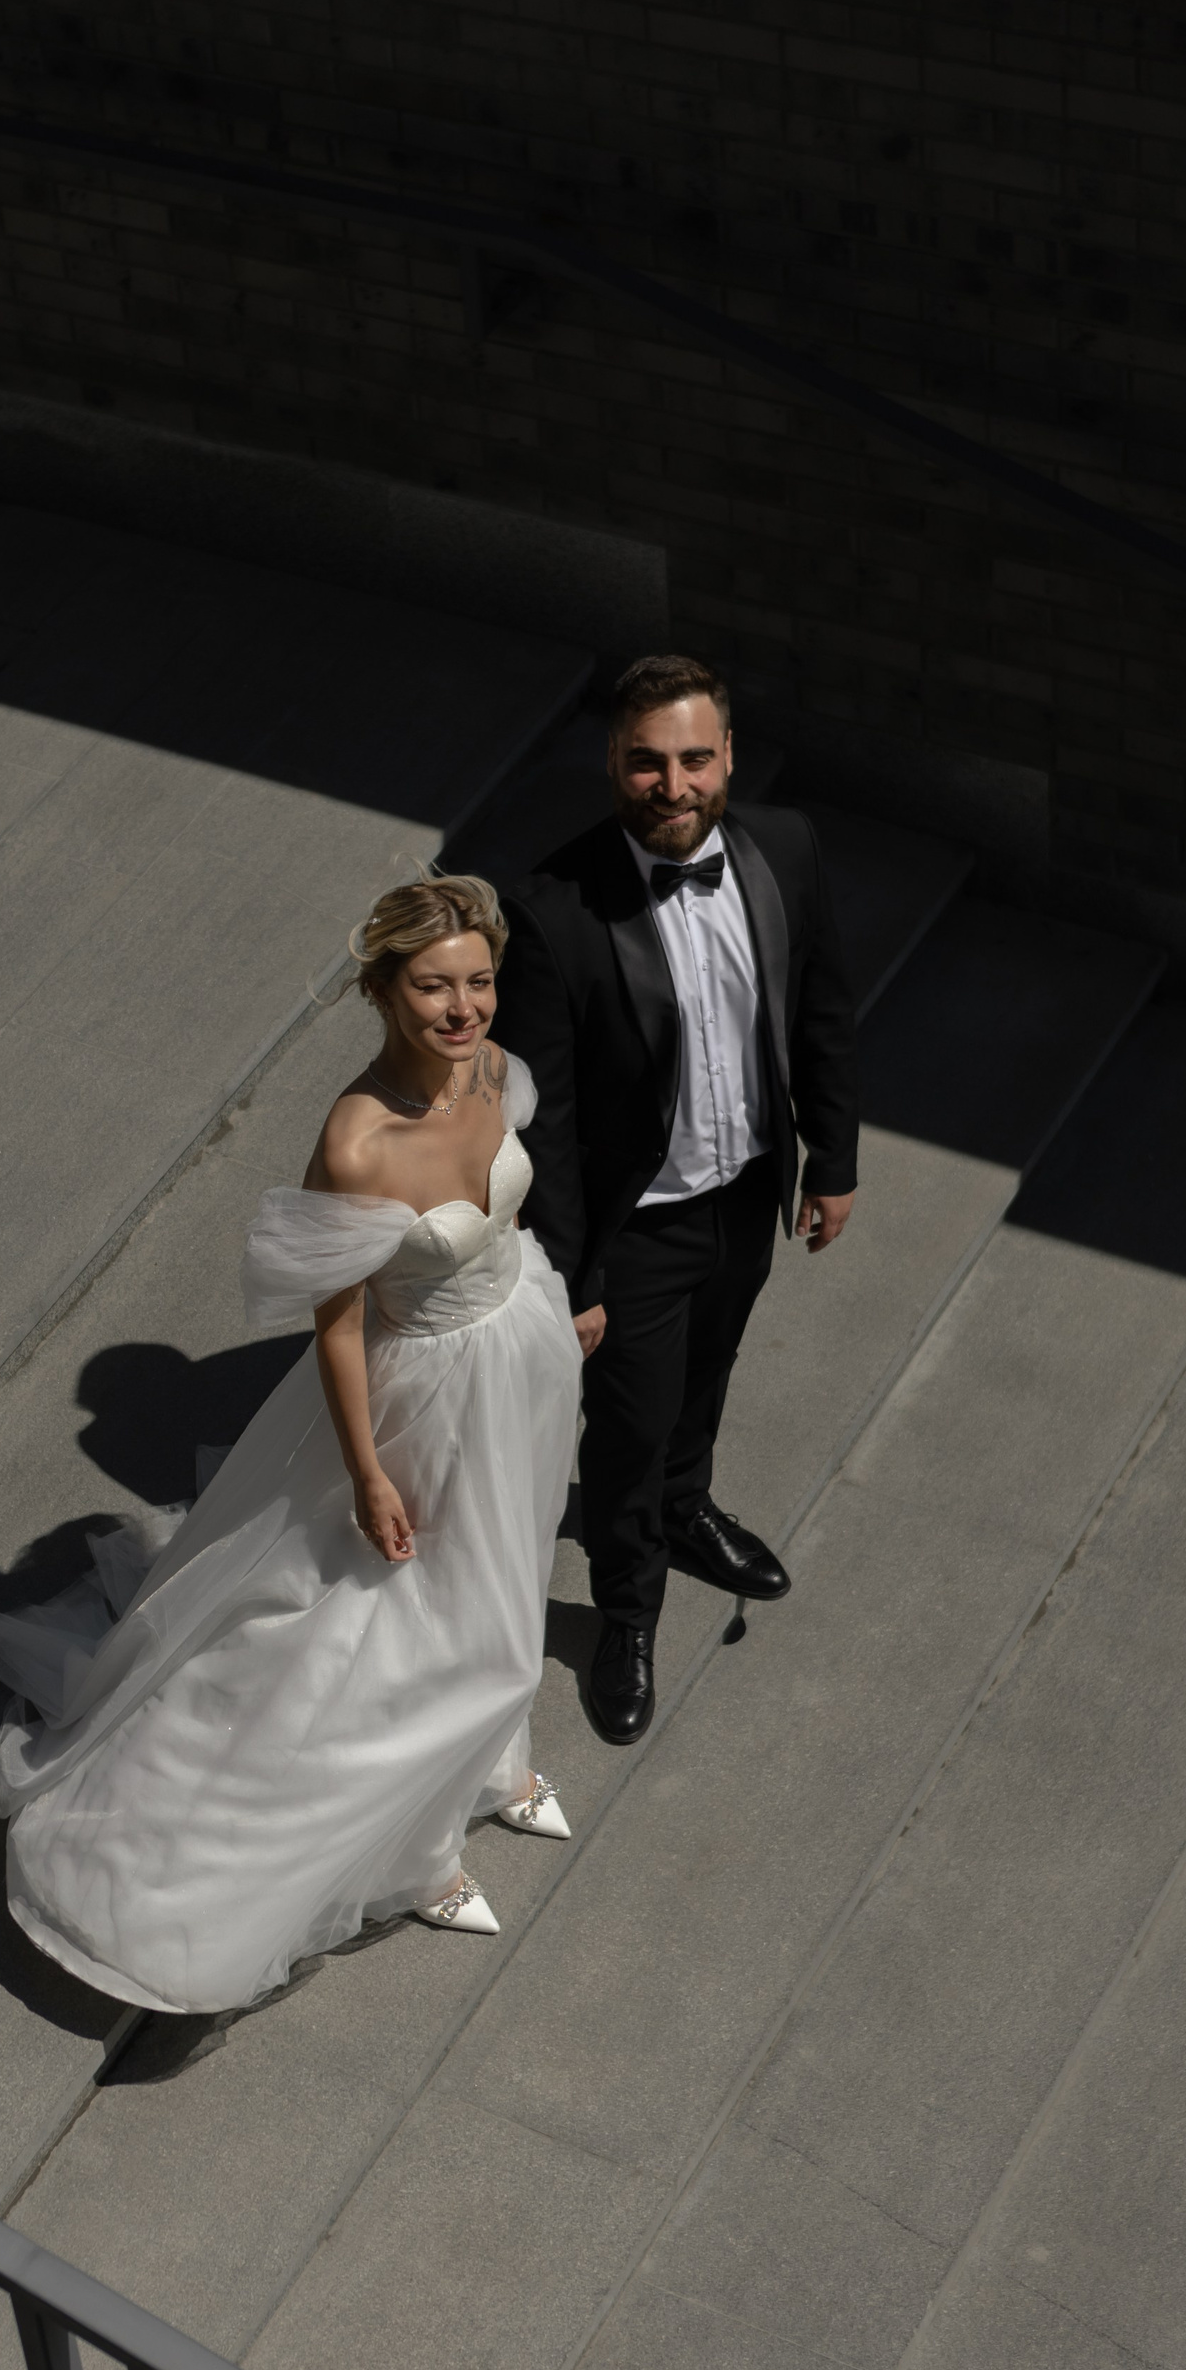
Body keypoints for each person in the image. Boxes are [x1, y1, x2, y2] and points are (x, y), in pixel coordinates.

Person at [0, 874, 584, 2017]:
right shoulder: (356, 1143)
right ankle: (416, 1860)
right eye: (434, 987)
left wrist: (551, 1305)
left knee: (509, 1571)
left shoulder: (495, 1070)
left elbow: (510, 1206)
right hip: (421, 1396)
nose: (463, 1009)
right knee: (414, 1617)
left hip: (523, 1353)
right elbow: (339, 1324)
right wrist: (367, 1471)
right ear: (383, 990)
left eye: (478, 982)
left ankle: (493, 1762)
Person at [494, 655, 860, 1748]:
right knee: (629, 1428)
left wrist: (832, 1159)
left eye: (695, 758)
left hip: (748, 1192)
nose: (674, 784)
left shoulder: (786, 848)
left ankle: (687, 1505)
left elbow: (822, 1010)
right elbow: (546, 1121)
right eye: (647, 762)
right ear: (613, 761)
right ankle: (626, 1610)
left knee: (709, 1371)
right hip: (636, 1227)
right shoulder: (552, 910)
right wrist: (575, 1273)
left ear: (729, 756)